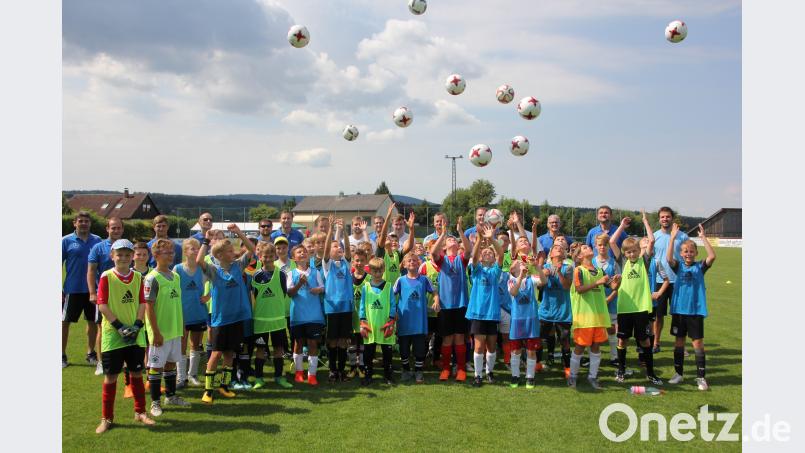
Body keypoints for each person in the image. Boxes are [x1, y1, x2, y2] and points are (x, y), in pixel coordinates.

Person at [94, 239, 154, 433]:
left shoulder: (137, 277)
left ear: (132, 257)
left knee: (137, 373)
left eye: (128, 254)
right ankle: (107, 418)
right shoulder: (106, 276)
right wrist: (119, 327)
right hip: (114, 334)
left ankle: (140, 412)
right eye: (119, 254)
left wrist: (137, 325)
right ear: (112, 256)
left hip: (135, 334)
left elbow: (142, 302)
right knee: (111, 376)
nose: (123, 257)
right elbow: (102, 304)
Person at [196, 224, 256, 403]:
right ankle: (208, 390)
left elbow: (252, 250)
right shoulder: (214, 270)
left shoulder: (238, 266)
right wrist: (206, 240)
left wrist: (239, 233)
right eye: (230, 251)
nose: (234, 252)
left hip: (237, 318)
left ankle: (224, 386)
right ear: (220, 255)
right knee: (216, 354)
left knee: (230, 354)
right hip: (220, 320)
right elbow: (199, 260)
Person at [609, 212, 663, 386]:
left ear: (639, 251)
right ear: (624, 253)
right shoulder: (621, 262)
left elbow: (652, 240)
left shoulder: (644, 261)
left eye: (634, 251)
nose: (631, 254)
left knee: (644, 340)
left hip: (640, 308)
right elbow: (611, 242)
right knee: (622, 340)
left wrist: (646, 221)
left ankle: (651, 373)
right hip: (624, 308)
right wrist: (622, 227)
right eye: (628, 252)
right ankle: (621, 370)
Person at [143, 238, 191, 416]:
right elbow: (148, 306)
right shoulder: (151, 278)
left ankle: (171, 396)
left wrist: (182, 326)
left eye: (172, 252)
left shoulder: (175, 276)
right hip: (160, 332)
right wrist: (155, 332)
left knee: (171, 364)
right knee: (156, 367)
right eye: (167, 252)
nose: (171, 255)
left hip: (175, 330)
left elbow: (178, 304)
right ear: (155, 255)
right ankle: (155, 403)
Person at [667, 224, 716, 391]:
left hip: (695, 311)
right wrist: (672, 238)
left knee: (698, 344)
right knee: (679, 342)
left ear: (696, 253)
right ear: (681, 254)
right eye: (685, 251)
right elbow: (668, 259)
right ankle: (678, 374)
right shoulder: (678, 266)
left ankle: (701, 378)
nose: (688, 254)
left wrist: (703, 237)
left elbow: (712, 256)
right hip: (679, 311)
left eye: (691, 251)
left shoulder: (700, 267)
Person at [568, 243, 620, 390]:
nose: (588, 248)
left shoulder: (599, 270)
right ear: (579, 256)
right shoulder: (578, 270)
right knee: (580, 346)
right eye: (584, 248)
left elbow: (612, 286)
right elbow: (579, 289)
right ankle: (573, 375)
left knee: (596, 346)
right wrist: (598, 282)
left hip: (598, 316)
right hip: (584, 317)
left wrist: (616, 281)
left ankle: (593, 376)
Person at [429, 215, 472, 382]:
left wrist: (460, 231)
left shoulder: (462, 260)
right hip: (446, 305)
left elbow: (468, 250)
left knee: (460, 337)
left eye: (455, 240)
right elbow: (433, 252)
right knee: (447, 338)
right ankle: (446, 368)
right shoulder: (442, 261)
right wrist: (443, 234)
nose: (452, 241)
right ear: (445, 247)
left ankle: (460, 369)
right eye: (450, 240)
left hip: (461, 303)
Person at [62, 210, 103, 369]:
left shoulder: (97, 240)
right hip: (72, 289)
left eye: (86, 221)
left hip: (93, 289)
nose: (84, 223)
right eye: (81, 221)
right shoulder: (66, 241)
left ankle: (90, 353)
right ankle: (61, 356)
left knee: (93, 321)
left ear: (90, 223)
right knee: (65, 322)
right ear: (75, 223)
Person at [466, 224, 505, 387]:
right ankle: (478, 375)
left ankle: (489, 372)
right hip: (478, 313)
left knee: (492, 346)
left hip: (493, 313)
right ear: (481, 258)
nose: (488, 253)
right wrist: (480, 240)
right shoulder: (476, 270)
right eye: (485, 252)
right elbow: (473, 257)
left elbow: (501, 254)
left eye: (490, 252)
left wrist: (492, 238)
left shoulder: (495, 271)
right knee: (479, 346)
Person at [250, 242, 293, 389]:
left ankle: (279, 377)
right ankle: (259, 378)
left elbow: (283, 293)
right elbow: (253, 297)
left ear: (274, 256)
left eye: (270, 256)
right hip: (261, 320)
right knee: (261, 350)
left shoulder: (281, 274)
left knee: (279, 350)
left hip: (278, 320)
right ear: (260, 257)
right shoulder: (256, 276)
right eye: (264, 256)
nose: (267, 259)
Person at [87, 217, 125, 375]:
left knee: (124, 326)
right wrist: (92, 292)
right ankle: (101, 363)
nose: (116, 230)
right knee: (103, 329)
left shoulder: (127, 246)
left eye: (118, 228)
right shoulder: (98, 247)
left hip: (124, 296)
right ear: (107, 229)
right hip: (105, 296)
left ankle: (123, 361)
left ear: (122, 229)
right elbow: (91, 271)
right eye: (113, 228)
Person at [651, 207, 690, 353]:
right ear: (659, 219)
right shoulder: (654, 237)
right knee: (658, 315)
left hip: (678, 281)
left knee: (679, 315)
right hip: (659, 281)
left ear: (672, 218)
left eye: (667, 216)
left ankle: (680, 345)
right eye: (662, 217)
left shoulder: (683, 237)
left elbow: (688, 257)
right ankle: (656, 343)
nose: (665, 219)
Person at [287, 244, 325, 386]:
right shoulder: (291, 274)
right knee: (298, 344)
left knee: (313, 344)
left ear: (308, 255)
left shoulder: (315, 272)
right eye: (299, 252)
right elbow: (290, 293)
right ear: (294, 258)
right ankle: (298, 372)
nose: (302, 253)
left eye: (304, 251)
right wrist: (299, 284)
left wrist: (318, 290)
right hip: (298, 315)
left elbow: (322, 288)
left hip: (314, 315)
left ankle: (312, 374)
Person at [322, 216, 354, 382]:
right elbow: (327, 247)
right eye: (335, 246)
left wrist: (345, 233)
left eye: (339, 246)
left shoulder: (346, 263)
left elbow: (348, 248)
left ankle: (341, 371)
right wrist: (330, 230)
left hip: (346, 308)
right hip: (332, 308)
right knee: (332, 340)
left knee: (343, 341)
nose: (338, 248)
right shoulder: (327, 265)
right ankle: (332, 370)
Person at [394, 252, 434, 383]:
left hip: (419, 322)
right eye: (409, 260)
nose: (412, 262)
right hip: (404, 320)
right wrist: (392, 310)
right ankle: (405, 370)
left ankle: (418, 371)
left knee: (419, 349)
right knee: (404, 348)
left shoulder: (424, 279)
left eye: (414, 260)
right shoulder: (400, 280)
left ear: (419, 263)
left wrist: (437, 300)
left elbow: (434, 292)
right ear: (404, 264)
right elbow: (391, 296)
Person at [174, 238, 209, 389]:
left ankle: (192, 374)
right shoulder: (178, 269)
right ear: (185, 251)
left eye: (197, 248)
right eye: (192, 248)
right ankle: (181, 377)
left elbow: (217, 282)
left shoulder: (202, 269)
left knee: (195, 345)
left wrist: (208, 296)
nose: (195, 251)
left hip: (198, 313)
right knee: (181, 346)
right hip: (182, 314)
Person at [537, 243, 574, 378]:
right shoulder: (544, 268)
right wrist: (543, 275)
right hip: (546, 311)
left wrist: (558, 272)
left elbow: (566, 287)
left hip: (563, 312)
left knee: (564, 340)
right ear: (550, 254)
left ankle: (567, 368)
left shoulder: (568, 268)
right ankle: (537, 363)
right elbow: (540, 286)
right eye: (555, 248)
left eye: (562, 249)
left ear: (564, 255)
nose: (559, 249)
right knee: (539, 339)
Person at [359, 257, 397, 385]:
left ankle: (388, 374)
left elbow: (392, 304)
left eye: (380, 270)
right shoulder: (366, 287)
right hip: (370, 325)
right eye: (374, 271)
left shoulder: (388, 286)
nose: (377, 273)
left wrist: (391, 320)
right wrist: (363, 321)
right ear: (370, 271)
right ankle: (368, 374)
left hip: (385, 325)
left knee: (387, 352)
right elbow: (362, 305)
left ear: (383, 270)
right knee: (368, 352)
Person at [504, 259, 542, 389]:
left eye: (523, 263)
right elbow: (514, 292)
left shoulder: (532, 279)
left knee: (531, 349)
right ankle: (515, 375)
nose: (522, 264)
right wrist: (521, 275)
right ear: (512, 269)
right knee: (515, 350)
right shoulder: (511, 281)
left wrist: (537, 266)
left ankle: (530, 377)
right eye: (518, 263)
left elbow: (544, 281)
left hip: (531, 319)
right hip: (517, 320)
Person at [592, 234, 621, 367]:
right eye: (600, 245)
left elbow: (618, 286)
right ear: (595, 246)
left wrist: (608, 300)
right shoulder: (591, 263)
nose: (602, 247)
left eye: (605, 244)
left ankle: (614, 357)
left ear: (609, 246)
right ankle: (592, 357)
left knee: (611, 329)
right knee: (593, 330)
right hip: (593, 303)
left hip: (611, 302)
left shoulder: (613, 263)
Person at [346, 249, 369, 379]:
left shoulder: (370, 278)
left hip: (365, 318)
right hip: (352, 317)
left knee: (363, 344)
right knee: (352, 343)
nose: (359, 263)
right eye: (357, 260)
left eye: (362, 260)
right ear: (353, 262)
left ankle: (362, 366)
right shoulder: (348, 278)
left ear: (366, 261)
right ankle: (353, 366)